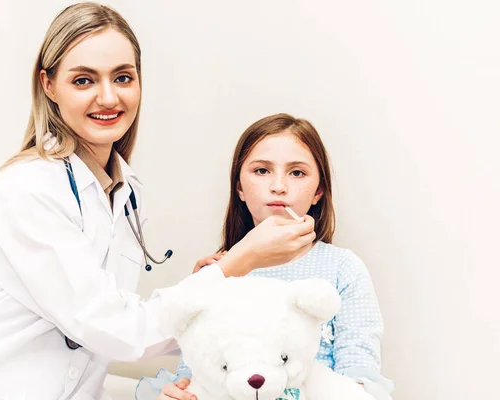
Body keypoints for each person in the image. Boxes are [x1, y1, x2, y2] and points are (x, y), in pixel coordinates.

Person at [0, 5, 317, 400]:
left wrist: (205, 298)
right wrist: (237, 262)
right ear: (48, 85)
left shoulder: (125, 192)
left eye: (122, 77)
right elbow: (119, 330)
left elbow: (125, 322)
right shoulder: (27, 191)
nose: (109, 98)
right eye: (84, 80)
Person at [140, 114, 394, 400]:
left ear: (318, 191)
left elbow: (358, 368)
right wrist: (183, 389)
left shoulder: (343, 269)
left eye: (297, 173)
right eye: (262, 171)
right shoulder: (220, 271)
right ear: (239, 188)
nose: (279, 186)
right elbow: (199, 365)